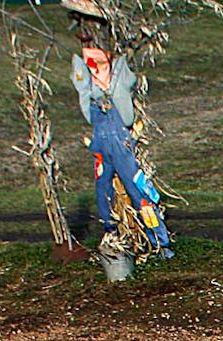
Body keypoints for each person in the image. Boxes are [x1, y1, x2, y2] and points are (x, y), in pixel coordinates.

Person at [70, 13, 173, 258]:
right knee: (103, 194)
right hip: (101, 145)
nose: (96, 70)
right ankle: (113, 238)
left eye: (100, 64)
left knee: (140, 193)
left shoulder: (118, 80)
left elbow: (126, 114)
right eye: (91, 65)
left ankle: (160, 242)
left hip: (120, 143)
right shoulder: (89, 90)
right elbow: (83, 94)